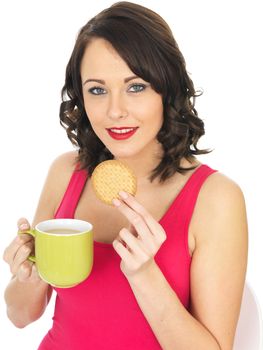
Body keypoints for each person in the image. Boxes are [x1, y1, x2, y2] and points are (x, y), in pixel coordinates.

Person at [3, 2, 248, 349]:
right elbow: (20, 315)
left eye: (136, 87)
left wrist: (145, 274)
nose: (115, 111)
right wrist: (29, 273)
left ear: (167, 88)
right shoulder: (66, 172)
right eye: (97, 90)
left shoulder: (216, 198)